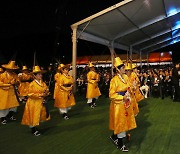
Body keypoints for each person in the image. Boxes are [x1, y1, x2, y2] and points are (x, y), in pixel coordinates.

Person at [109, 57, 136, 152]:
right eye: (123, 68)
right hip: (119, 105)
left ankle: (113, 136)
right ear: (118, 70)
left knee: (124, 122)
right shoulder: (114, 80)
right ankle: (120, 144)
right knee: (121, 123)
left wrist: (132, 87)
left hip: (126, 103)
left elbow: (128, 88)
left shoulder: (125, 77)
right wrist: (122, 97)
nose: (125, 69)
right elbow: (111, 95)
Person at [21, 65, 50, 136]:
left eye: (41, 74)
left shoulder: (42, 83)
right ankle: (33, 129)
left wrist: (46, 93)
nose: (41, 76)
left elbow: (46, 90)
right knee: (33, 115)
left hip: (40, 102)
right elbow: (30, 94)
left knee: (38, 115)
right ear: (34, 76)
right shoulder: (31, 84)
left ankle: (35, 127)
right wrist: (40, 95)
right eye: (39, 74)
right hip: (33, 102)